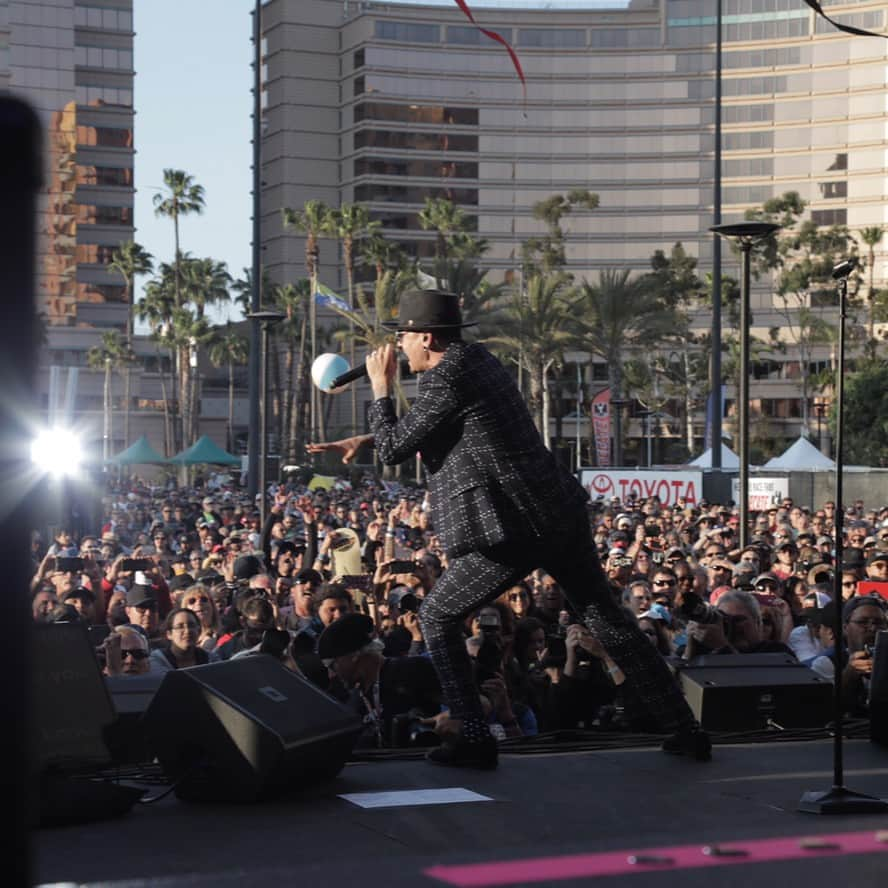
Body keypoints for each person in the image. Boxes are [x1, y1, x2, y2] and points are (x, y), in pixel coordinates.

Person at [308, 289, 708, 767]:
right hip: (555, 512)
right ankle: (685, 728)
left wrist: (379, 388)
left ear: (428, 338)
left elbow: (398, 448)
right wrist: (368, 436)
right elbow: (433, 429)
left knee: (436, 616)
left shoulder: (447, 375)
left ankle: (473, 736)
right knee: (608, 620)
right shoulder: (475, 362)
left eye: (404, 337)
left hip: (514, 526)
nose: (399, 348)